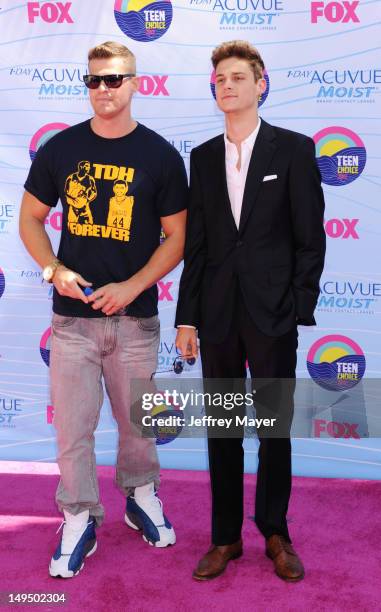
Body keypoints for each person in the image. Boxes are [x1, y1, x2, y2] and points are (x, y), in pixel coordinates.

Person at [19, 41, 188, 578]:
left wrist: (132, 283)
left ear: (135, 82)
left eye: (114, 79)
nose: (104, 89)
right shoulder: (60, 149)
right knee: (73, 431)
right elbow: (29, 220)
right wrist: (54, 268)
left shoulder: (160, 155)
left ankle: (140, 496)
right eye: (94, 80)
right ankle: (78, 516)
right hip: (71, 326)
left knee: (139, 426)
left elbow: (177, 237)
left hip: (136, 320)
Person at [175, 40, 326, 582]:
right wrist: (186, 319)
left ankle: (275, 531)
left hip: (272, 317)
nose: (228, 86)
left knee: (274, 430)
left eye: (238, 77)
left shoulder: (294, 150)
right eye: (220, 79)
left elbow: (311, 239)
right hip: (216, 317)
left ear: (261, 84)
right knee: (222, 431)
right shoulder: (203, 157)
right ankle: (224, 539)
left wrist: (296, 309)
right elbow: (198, 248)